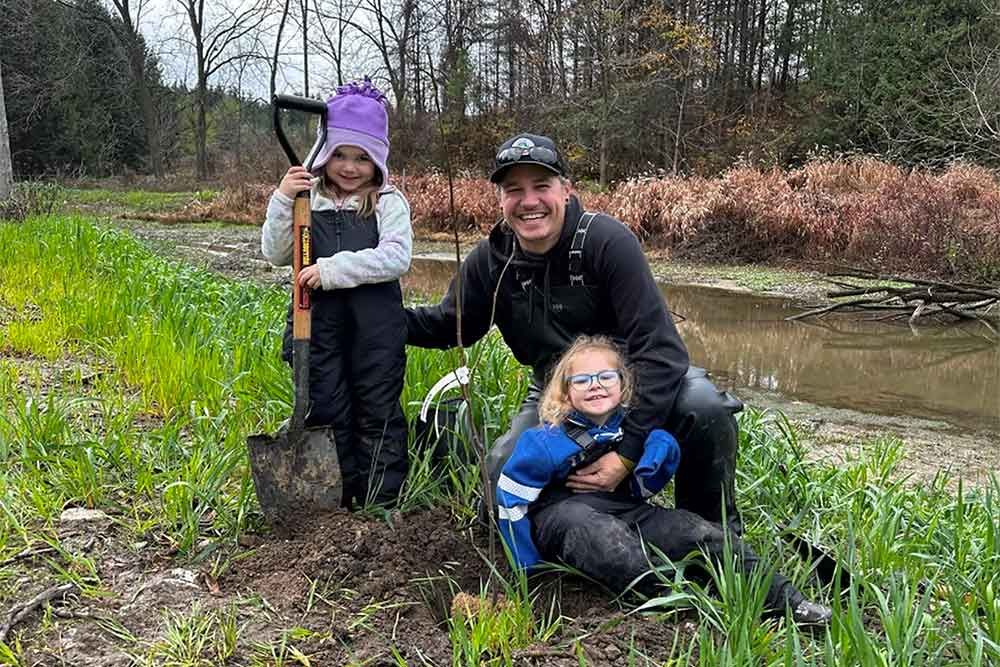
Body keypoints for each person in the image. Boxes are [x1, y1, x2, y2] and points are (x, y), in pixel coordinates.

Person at [406, 132, 743, 533]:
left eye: (541, 186)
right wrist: (372, 316)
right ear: (500, 200)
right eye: (514, 190)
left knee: (704, 406)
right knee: (499, 479)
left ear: (566, 190)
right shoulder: (489, 262)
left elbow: (663, 353)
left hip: (633, 384)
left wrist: (627, 455)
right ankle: (584, 525)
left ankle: (716, 534)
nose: (529, 201)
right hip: (556, 394)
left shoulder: (606, 242)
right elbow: (448, 326)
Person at [496, 336, 833, 625]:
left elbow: (642, 492)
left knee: (701, 532)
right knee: (604, 540)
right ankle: (677, 596)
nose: (595, 384)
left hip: (625, 510)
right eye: (582, 380)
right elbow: (511, 500)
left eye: (605, 377)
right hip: (563, 517)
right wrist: (528, 566)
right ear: (565, 394)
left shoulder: (634, 429)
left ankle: (787, 601)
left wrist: (661, 453)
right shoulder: (543, 442)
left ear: (622, 384)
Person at [261, 79, 412, 509]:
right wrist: (282, 198)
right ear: (324, 154)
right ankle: (337, 500)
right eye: (340, 155)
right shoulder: (309, 200)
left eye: (362, 158)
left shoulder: (388, 201)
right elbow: (274, 253)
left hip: (376, 332)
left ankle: (381, 502)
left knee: (377, 410)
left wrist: (331, 270)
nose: (349, 167)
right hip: (317, 328)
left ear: (377, 161)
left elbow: (396, 257)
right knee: (326, 409)